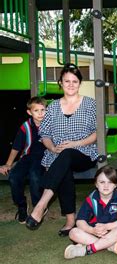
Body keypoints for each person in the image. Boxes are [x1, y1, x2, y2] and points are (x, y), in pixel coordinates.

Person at [26, 64, 99, 235]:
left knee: (66, 156)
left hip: (84, 152)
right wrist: (52, 147)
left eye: (75, 81)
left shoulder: (90, 104)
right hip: (57, 154)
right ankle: (70, 220)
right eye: (67, 81)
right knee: (63, 164)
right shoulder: (52, 107)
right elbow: (44, 133)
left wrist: (75, 144)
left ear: (79, 83)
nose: (71, 84)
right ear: (61, 83)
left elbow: (98, 132)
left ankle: (41, 205)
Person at [64, 166, 117, 259]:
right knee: (73, 232)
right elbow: (80, 221)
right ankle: (109, 246)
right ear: (96, 184)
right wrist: (92, 230)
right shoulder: (91, 199)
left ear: (115, 185)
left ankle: (86, 250)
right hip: (94, 232)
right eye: (102, 182)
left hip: (113, 231)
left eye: (110, 182)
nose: (106, 186)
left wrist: (106, 226)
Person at [0, 97, 46, 223]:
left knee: (35, 176)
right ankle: (21, 206)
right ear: (29, 112)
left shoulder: (50, 124)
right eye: (36, 110)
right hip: (27, 157)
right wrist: (8, 164)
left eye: (43, 110)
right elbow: (16, 147)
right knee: (14, 176)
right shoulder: (25, 126)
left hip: (44, 157)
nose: (41, 113)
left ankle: (39, 207)